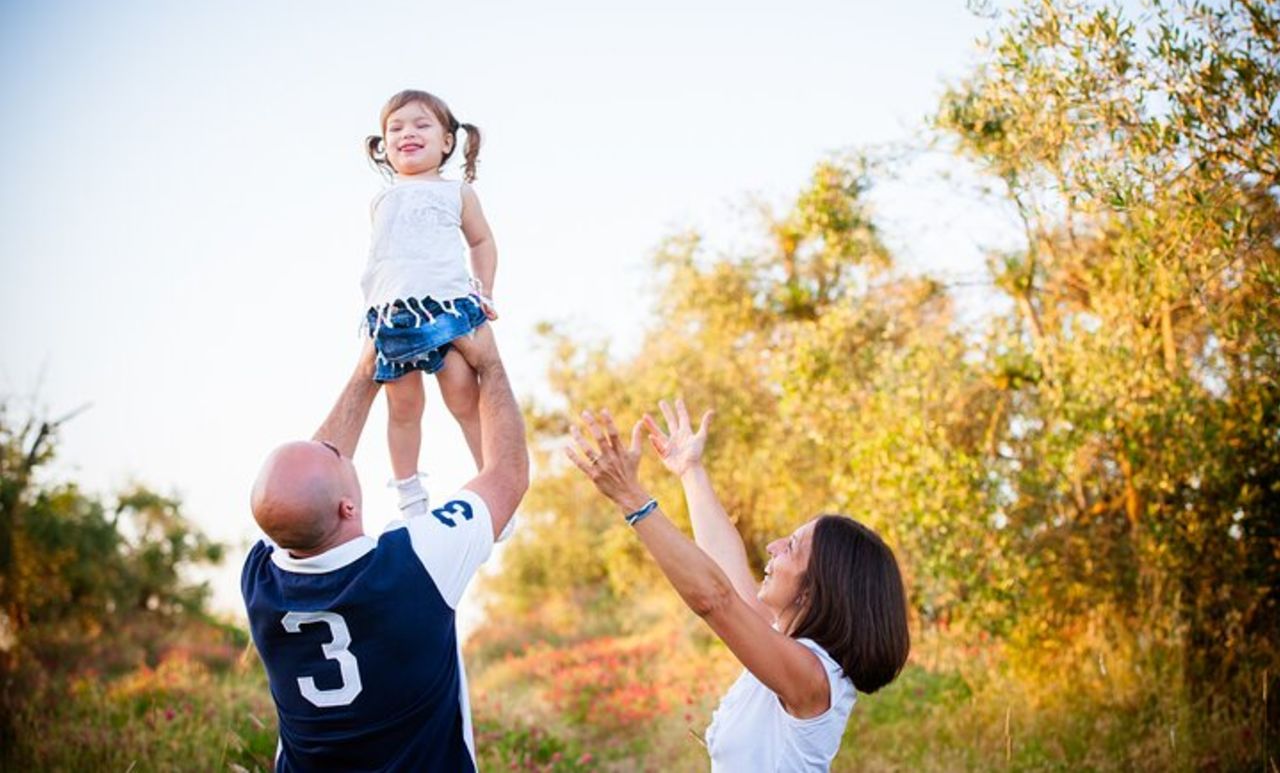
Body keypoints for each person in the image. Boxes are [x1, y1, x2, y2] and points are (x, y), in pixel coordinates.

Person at [567, 399, 910, 772]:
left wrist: (631, 498)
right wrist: (690, 471)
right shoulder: (783, 646)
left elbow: (715, 598)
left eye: (791, 546)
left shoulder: (813, 679)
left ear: (813, 589)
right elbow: (726, 575)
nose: (772, 547)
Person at [241, 326, 528, 772]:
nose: (338, 449)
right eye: (337, 457)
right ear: (347, 506)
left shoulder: (260, 580)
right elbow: (507, 476)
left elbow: (295, 498)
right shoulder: (414, 562)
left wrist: (365, 373)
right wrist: (490, 364)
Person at [360, 89, 499, 511]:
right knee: (402, 405)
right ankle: (409, 492)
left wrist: (485, 288)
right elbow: (385, 262)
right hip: (393, 315)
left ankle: (489, 484)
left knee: (463, 396)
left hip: (445, 309)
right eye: (396, 128)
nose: (408, 133)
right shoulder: (381, 200)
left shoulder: (457, 192)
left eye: (422, 125)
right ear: (384, 147)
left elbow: (482, 240)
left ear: (447, 141)